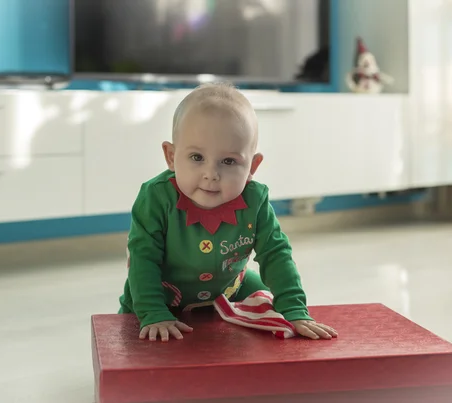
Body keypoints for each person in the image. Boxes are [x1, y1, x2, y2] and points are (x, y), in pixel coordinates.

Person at [118, 82, 338, 342]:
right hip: (158, 296)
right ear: (171, 156)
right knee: (134, 341)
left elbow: (276, 253)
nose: (211, 174)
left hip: (228, 290)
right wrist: (152, 312)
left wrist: (293, 308)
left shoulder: (254, 199)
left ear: (253, 166)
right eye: (197, 157)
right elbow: (143, 259)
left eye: (229, 161)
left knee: (268, 311)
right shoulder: (156, 197)